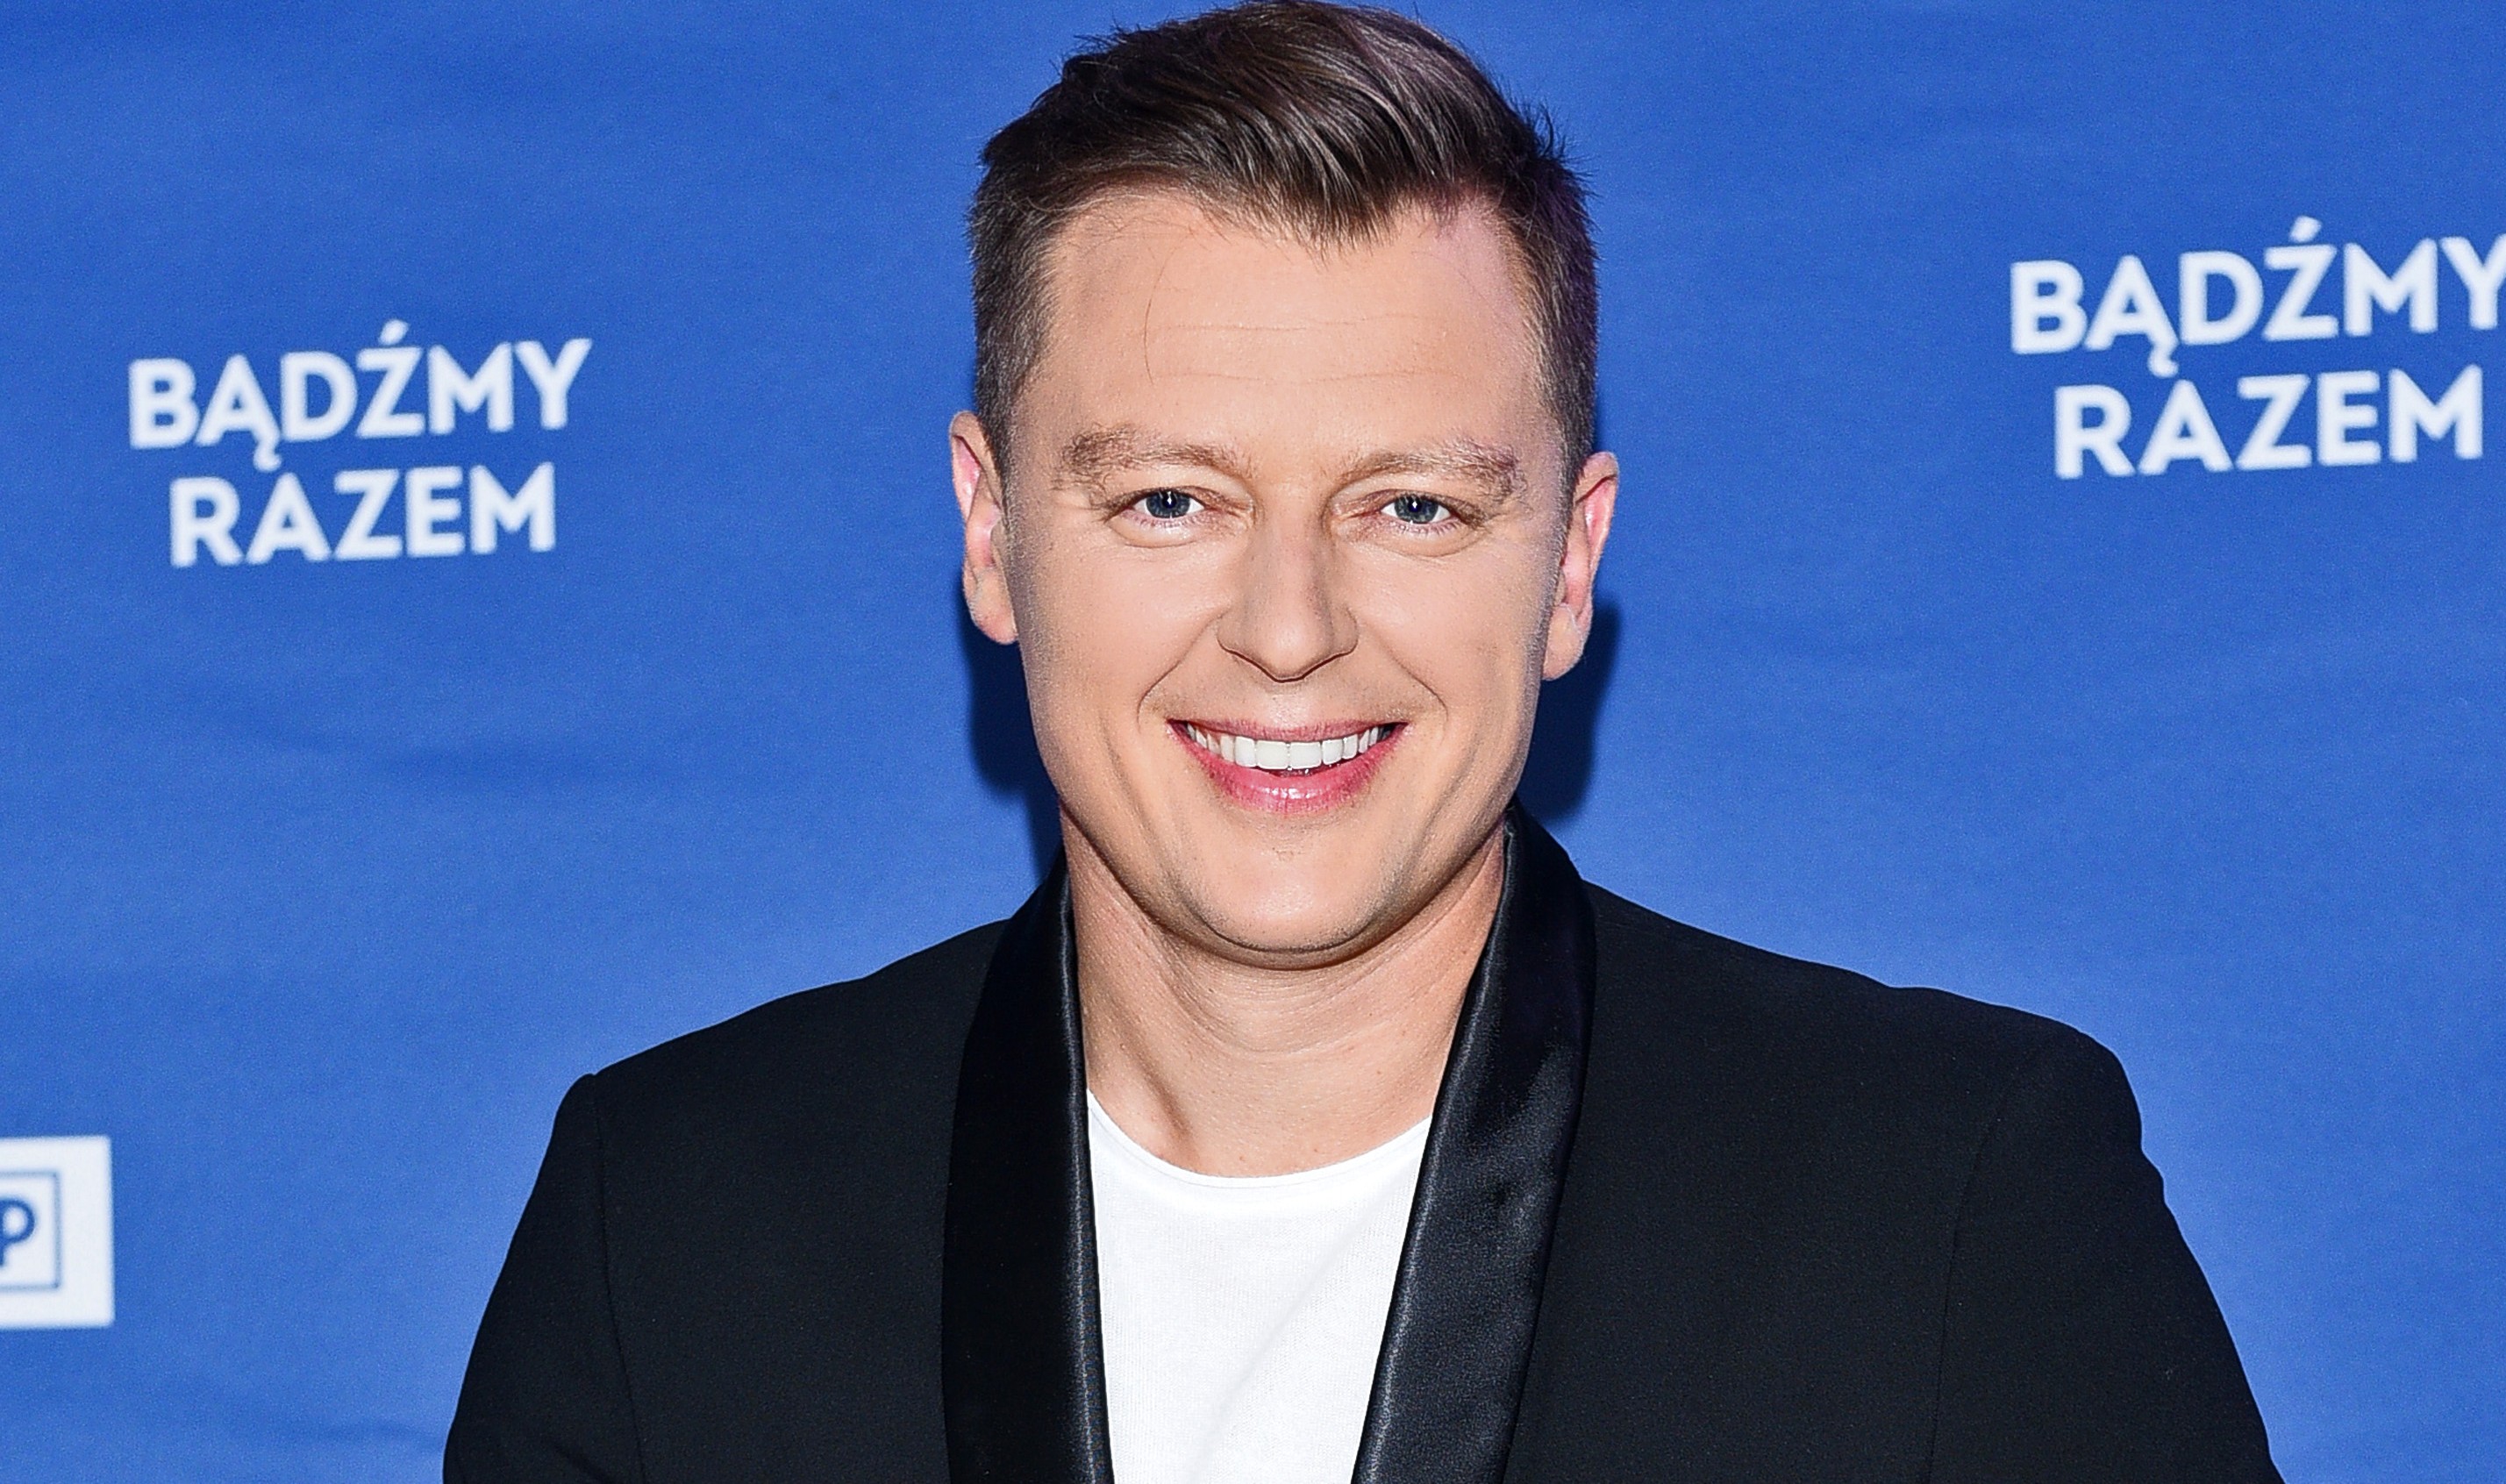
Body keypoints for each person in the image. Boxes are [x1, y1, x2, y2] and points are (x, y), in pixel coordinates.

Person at [446, 4, 2284, 1480]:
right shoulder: (669, 1224)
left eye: (1411, 507)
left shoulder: (1945, 1203)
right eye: (1171, 500)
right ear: (992, 537)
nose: (1290, 626)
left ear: (1568, 566)